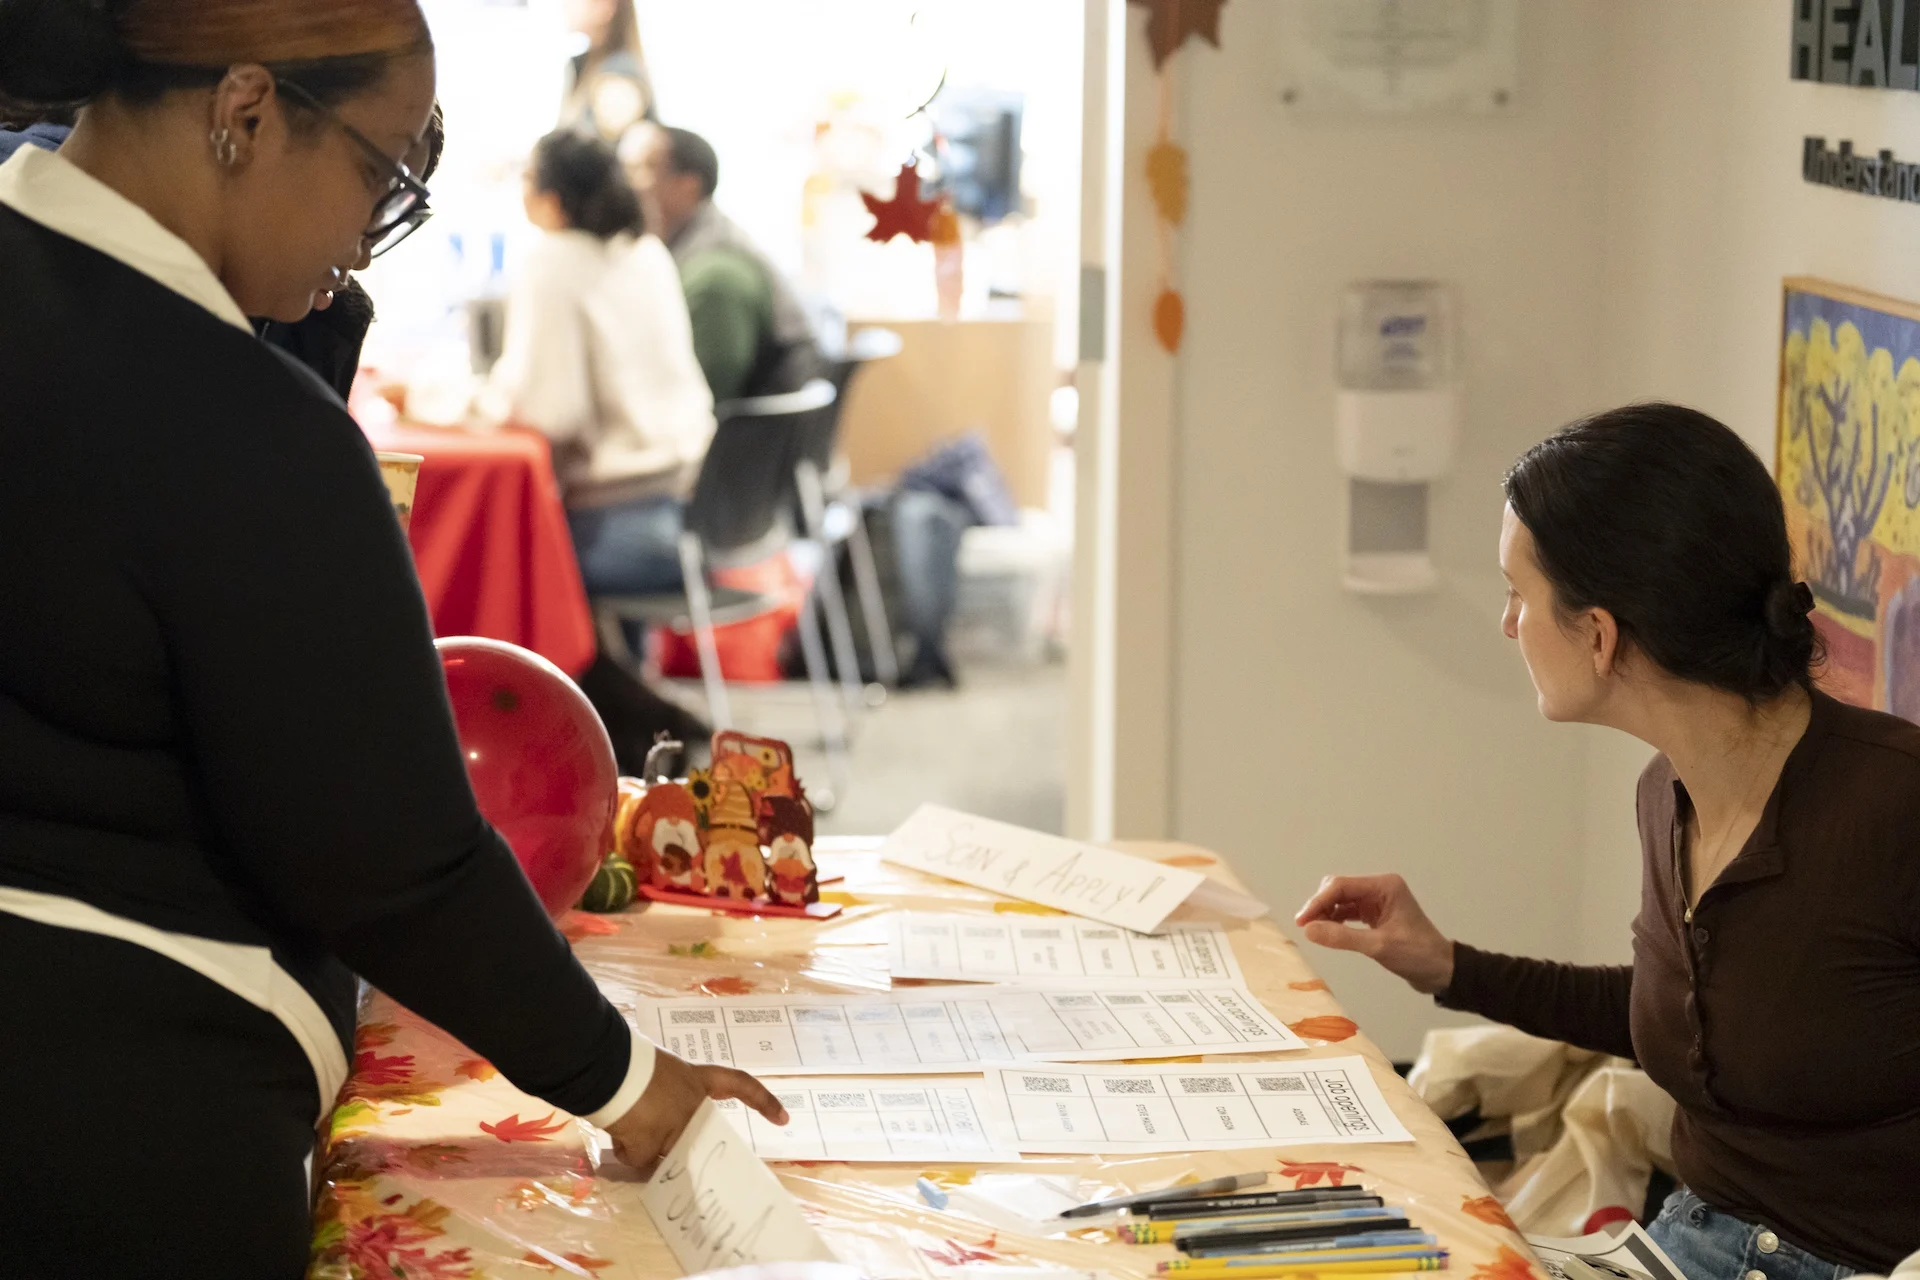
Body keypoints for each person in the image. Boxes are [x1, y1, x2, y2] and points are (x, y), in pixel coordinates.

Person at [0, 4, 783, 1277]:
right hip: (122, 1129)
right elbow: (394, 855)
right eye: (382, 170)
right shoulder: (234, 424)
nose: (372, 233)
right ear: (246, 112)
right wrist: (637, 1087)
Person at [1295, 405, 1920, 1280]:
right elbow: (1702, 1010)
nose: (1509, 625)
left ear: (1598, 635)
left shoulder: (1895, 805)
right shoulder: (1664, 794)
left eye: (1518, 593)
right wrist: (1446, 964)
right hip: (1684, 1246)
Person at [625, 122, 823, 402]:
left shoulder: (714, 277)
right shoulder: (691, 247)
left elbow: (703, 396)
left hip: (746, 438)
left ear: (688, 186)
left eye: (643, 168)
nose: (628, 183)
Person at [560, 0, 654, 142]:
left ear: (605, 5)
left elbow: (604, 155)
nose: (565, 4)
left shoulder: (620, 77)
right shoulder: (582, 65)